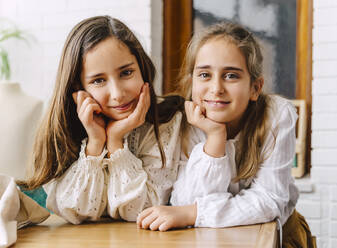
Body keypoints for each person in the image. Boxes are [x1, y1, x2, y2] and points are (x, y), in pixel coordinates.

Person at [137, 22, 315, 247]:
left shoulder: (277, 116)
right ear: (192, 82)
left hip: (274, 238)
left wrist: (192, 214)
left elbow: (270, 201)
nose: (216, 88)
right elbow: (187, 199)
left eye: (231, 76)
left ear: (255, 88)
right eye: (204, 74)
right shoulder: (182, 123)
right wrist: (215, 137)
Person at [18, 15, 184, 225]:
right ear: (79, 89)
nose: (117, 94)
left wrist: (115, 141)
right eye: (98, 80)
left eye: (126, 72)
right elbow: (73, 211)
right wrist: (95, 144)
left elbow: (142, 211)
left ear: (142, 68)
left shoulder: (168, 120)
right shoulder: (64, 127)